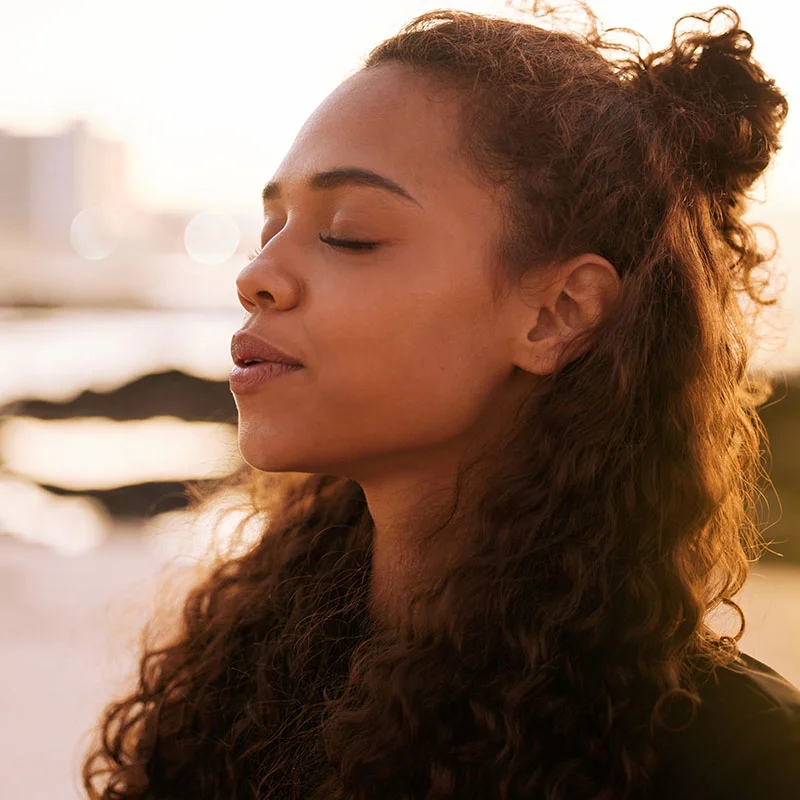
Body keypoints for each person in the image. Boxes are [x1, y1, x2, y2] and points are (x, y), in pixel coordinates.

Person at [81, 4, 800, 799]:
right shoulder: (249, 676)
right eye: (271, 227)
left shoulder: (744, 761)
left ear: (557, 313)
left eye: (350, 233)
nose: (256, 276)